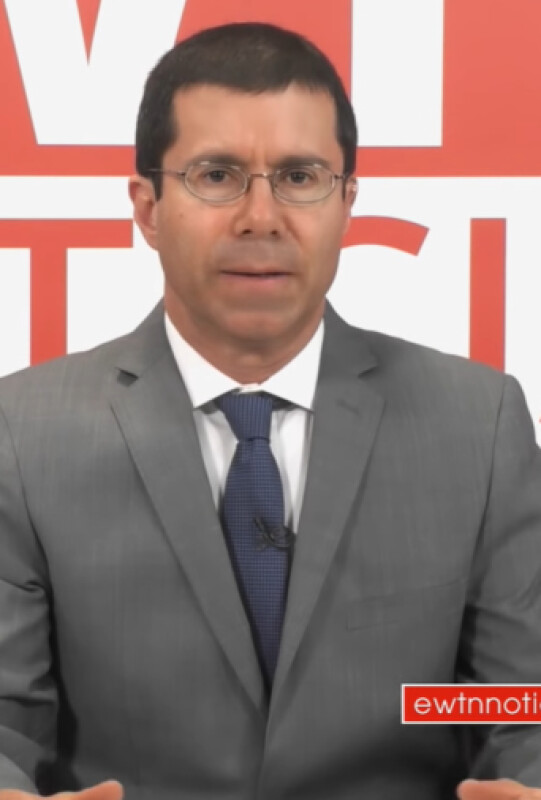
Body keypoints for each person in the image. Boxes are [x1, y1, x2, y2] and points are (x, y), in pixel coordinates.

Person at [0, 21, 541, 800]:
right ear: (147, 207)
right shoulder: (22, 435)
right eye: (217, 175)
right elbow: (8, 720)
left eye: (298, 176)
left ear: (346, 202)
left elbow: (513, 704)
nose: (261, 216)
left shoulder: (476, 423)